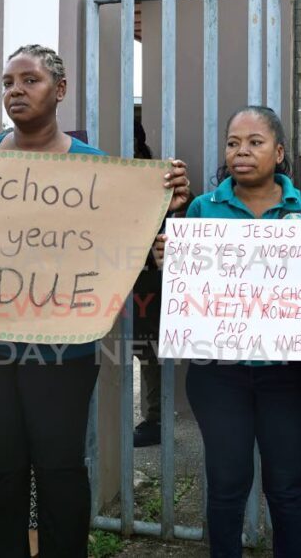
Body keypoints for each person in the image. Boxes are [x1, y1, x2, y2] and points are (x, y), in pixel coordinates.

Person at [0, 44, 190, 558]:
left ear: (60, 90)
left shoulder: (99, 172)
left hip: (61, 350)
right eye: (8, 81)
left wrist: (162, 205)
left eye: (29, 80)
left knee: (59, 469)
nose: (15, 90)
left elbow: (129, 252)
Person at [172, 105, 301, 558]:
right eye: (233, 143)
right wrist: (170, 255)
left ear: (279, 152)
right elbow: (183, 287)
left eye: (255, 142)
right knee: (226, 484)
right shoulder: (202, 208)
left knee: (286, 487)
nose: (242, 152)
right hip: (219, 374)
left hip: (291, 375)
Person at [132, 119, 168, 448]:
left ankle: (155, 419)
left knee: (148, 351)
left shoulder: (162, 179)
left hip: (151, 281)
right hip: (109, 277)